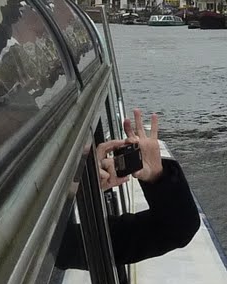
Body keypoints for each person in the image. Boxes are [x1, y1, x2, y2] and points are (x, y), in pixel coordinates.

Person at [60, 107, 200, 268]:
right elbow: (177, 232)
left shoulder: (58, 245)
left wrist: (157, 177)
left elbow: (177, 230)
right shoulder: (60, 247)